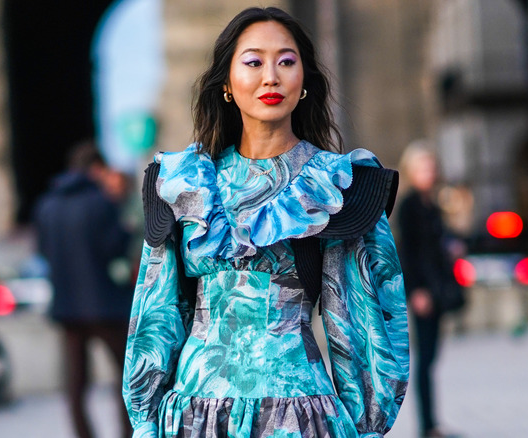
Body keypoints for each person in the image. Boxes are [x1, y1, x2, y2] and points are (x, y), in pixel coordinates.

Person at [122, 7, 409, 438]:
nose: (270, 77)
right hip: (194, 418)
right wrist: (147, 421)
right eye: (253, 62)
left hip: (298, 416)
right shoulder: (184, 182)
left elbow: (364, 322)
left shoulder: (337, 186)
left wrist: (364, 426)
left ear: (305, 82)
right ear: (226, 85)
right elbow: (156, 313)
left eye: (286, 61)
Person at [35, 141, 134, 438]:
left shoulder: (46, 206)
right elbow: (113, 248)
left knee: (76, 383)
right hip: (106, 305)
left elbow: (42, 251)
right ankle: (126, 433)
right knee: (126, 377)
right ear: (95, 169)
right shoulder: (100, 202)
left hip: (67, 307)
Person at [397, 143, 462, 438]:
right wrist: (415, 291)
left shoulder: (432, 204)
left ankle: (432, 423)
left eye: (431, 167)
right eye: (422, 168)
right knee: (424, 360)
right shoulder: (409, 206)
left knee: (432, 357)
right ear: (411, 171)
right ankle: (427, 426)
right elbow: (406, 251)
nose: (429, 173)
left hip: (437, 288)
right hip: (423, 290)